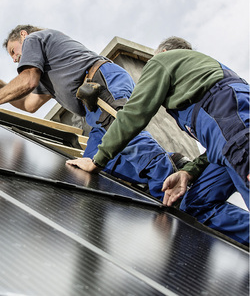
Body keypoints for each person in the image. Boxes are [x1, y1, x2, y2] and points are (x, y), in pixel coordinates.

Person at [0, 25, 185, 201]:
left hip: (101, 84)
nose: (14, 58)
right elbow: (28, 105)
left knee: (121, 130)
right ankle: (168, 161)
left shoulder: (35, 39)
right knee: (93, 166)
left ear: (23, 35)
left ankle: (170, 181)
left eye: (13, 51)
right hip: (92, 111)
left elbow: (27, 80)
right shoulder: (47, 75)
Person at [72, 36, 249, 245]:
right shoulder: (203, 86)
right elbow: (218, 145)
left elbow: (133, 113)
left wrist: (97, 159)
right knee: (195, 205)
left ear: (164, 53)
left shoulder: (163, 61)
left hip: (239, 140)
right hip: (228, 144)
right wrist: (187, 172)